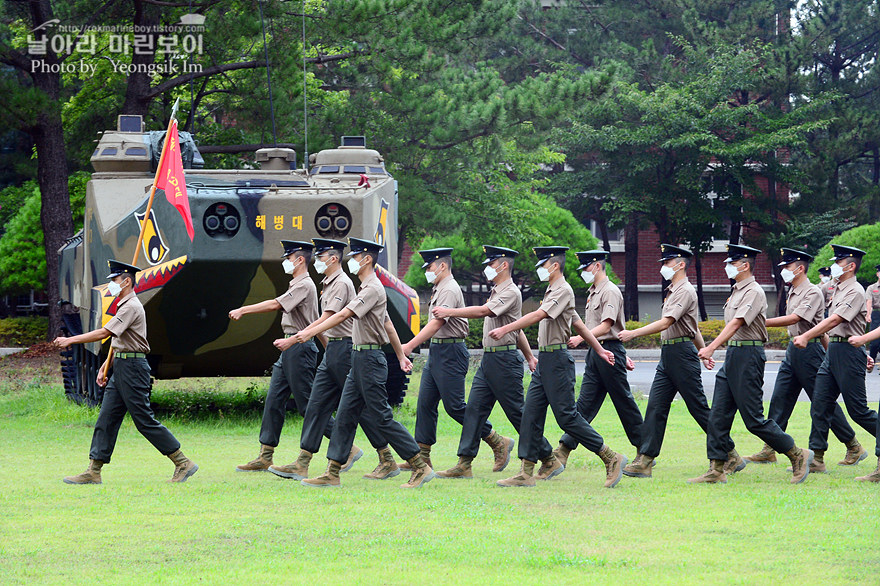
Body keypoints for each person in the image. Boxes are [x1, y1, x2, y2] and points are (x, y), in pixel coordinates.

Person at [295, 238, 433, 489]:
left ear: (367, 259)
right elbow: (388, 323)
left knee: (381, 417)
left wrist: (308, 331)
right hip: (359, 358)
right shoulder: (366, 287)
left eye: (356, 257)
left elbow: (344, 314)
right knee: (346, 414)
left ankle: (419, 465)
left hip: (369, 360)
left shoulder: (372, 288)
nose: (352, 261)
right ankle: (332, 471)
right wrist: (401, 355)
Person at [490, 246, 628, 489]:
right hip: (546, 360)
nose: (540, 270)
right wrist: (599, 349)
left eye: (543, 265)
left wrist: (506, 328)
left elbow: (539, 315)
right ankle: (526, 471)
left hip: (557, 361)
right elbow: (579, 325)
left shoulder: (563, 289)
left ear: (554, 266)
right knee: (531, 414)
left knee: (567, 417)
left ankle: (610, 457)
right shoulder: (554, 289)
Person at [55, 260, 198, 484]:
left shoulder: (131, 305)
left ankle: (182, 462)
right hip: (122, 366)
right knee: (107, 418)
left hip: (133, 368)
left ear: (127, 281)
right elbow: (118, 339)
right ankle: (94, 470)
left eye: (114, 280)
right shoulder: (124, 304)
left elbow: (104, 332)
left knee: (143, 421)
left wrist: (70, 339)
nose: (111, 284)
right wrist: (106, 366)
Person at [267, 238, 393, 481]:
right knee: (316, 406)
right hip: (334, 349)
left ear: (333, 258)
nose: (317, 261)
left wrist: (298, 338)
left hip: (346, 349)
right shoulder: (329, 282)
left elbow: (330, 317)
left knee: (362, 408)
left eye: (321, 256)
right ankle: (302, 463)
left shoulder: (344, 283)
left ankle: (386, 457)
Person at [231, 241, 359, 473]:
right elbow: (318, 320)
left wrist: (243, 309)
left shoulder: (305, 284)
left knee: (308, 405)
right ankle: (265, 455)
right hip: (290, 347)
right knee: (274, 400)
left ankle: (348, 448)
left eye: (288, 259)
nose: (284, 263)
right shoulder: (299, 283)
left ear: (300, 260)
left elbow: (275, 305)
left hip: (299, 348)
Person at [691, 244, 813, 484]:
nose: (727, 267)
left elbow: (736, 323)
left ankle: (796, 454)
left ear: (745, 265)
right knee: (718, 415)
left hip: (749, 356)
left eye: (732, 263)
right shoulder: (737, 291)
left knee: (753, 419)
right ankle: (717, 468)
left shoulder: (754, 291)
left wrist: (711, 346)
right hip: (734, 357)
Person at [432, 246, 557, 480]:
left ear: (504, 265)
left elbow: (483, 312)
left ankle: (548, 458)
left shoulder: (510, 292)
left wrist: (450, 311)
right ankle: (464, 462)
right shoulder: (497, 290)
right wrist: (530, 357)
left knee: (518, 413)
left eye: (491, 264)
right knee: (474, 410)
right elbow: (517, 328)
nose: (487, 268)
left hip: (504, 360)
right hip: (490, 359)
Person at [745, 248, 866, 471]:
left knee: (825, 403)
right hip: (795, 349)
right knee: (781, 398)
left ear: (800, 268)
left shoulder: (812, 292)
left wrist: (761, 322)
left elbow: (799, 318)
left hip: (810, 352)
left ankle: (852, 444)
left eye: (787, 267)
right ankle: (770, 447)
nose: (783, 271)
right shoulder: (795, 291)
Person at [399, 248, 513, 472]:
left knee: (455, 407)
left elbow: (437, 323)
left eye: (430, 267)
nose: (428, 272)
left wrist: (410, 345)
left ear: (442, 266)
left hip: (451, 352)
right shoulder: (439, 288)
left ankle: (497, 440)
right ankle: (422, 457)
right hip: (438, 351)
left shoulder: (449, 289)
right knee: (425, 404)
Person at [617, 244, 717, 478]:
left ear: (680, 265)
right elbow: (692, 327)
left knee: (699, 409)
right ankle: (645, 460)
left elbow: (667, 323)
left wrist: (634, 333)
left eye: (667, 263)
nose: (663, 267)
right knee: (656, 407)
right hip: (670, 355)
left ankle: (727, 453)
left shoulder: (685, 290)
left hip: (681, 354)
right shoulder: (674, 290)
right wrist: (704, 352)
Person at [794, 245, 878, 481]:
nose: (834, 266)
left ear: (851, 266)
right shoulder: (839, 289)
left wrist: (806, 335)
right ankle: (817, 458)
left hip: (849, 352)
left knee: (858, 411)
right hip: (835, 350)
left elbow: (835, 320)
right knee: (820, 404)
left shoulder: (855, 291)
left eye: (838, 262)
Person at [553, 250, 643, 470]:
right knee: (584, 403)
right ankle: (565, 448)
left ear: (597, 266)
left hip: (609, 351)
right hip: (597, 352)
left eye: (585, 268)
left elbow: (607, 326)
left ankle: (645, 450)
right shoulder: (594, 291)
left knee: (624, 402)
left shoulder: (610, 291)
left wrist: (580, 337)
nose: (583, 272)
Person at [866, 264, 880, 365]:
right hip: (876, 314)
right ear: (877, 274)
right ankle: (872, 360)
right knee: (874, 342)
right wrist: (868, 314)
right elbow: (869, 302)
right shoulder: (872, 288)